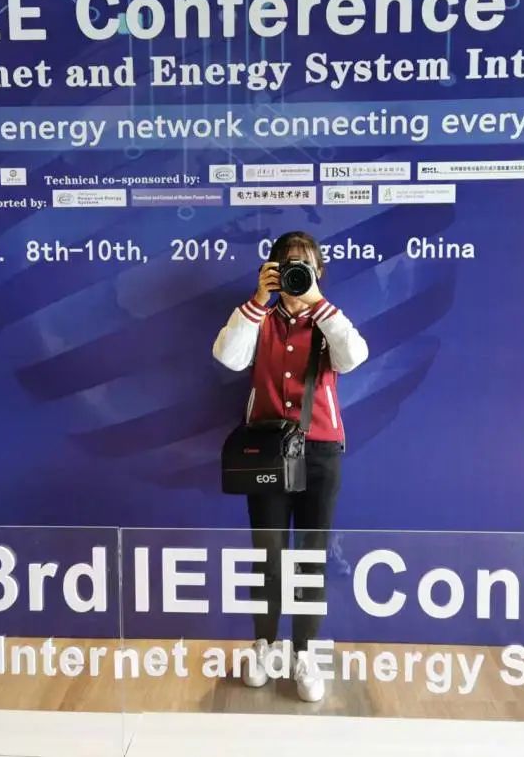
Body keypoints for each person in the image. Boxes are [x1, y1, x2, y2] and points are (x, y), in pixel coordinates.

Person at [212, 231, 369, 702]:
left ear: (319, 273)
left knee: (311, 558)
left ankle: (304, 652)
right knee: (269, 555)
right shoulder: (258, 316)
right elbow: (228, 357)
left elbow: (354, 357)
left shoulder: (328, 319)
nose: (296, 276)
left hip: (320, 451)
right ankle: (263, 645)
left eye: (305, 267)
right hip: (267, 452)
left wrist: (317, 303)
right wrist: (258, 301)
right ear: (272, 272)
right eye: (287, 267)